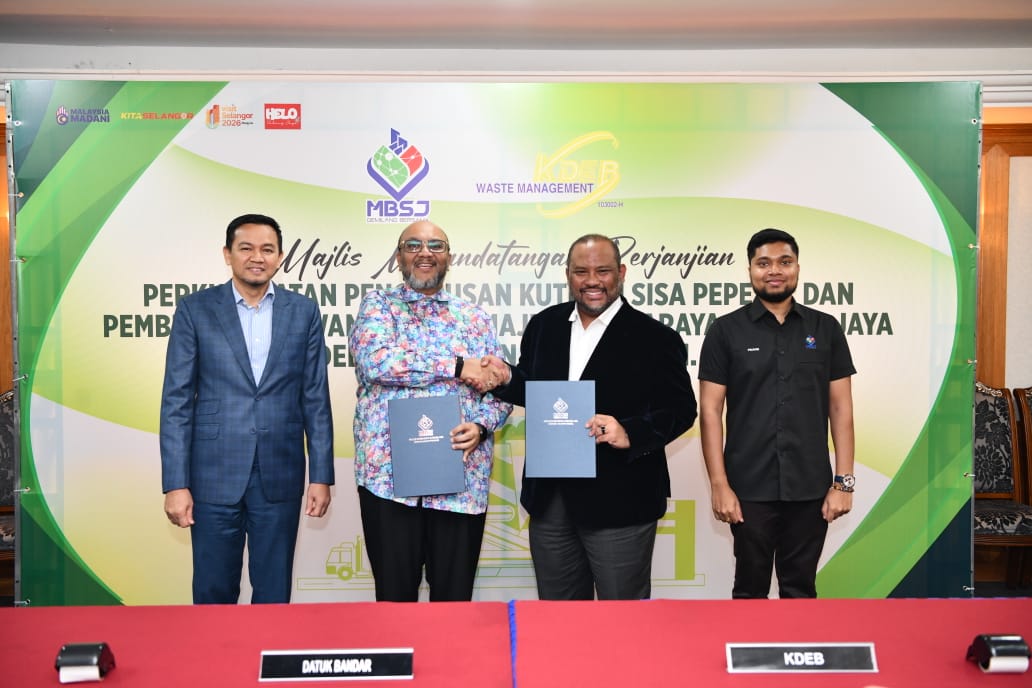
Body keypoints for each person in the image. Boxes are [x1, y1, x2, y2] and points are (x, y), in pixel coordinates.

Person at [479, 234, 697, 600]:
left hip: (621, 502)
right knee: (559, 619)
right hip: (550, 502)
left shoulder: (656, 337)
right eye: (581, 271)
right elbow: (536, 391)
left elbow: (681, 409)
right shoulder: (544, 325)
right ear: (568, 274)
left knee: (622, 618)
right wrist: (507, 379)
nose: (592, 281)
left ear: (621, 273)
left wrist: (630, 431)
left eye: (603, 271)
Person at [160, 213, 334, 604]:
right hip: (212, 475)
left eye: (267, 249)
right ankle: (213, 649)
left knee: (274, 593)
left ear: (280, 257)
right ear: (228, 254)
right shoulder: (195, 309)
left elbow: (315, 398)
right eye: (246, 248)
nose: (258, 257)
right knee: (213, 591)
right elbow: (176, 401)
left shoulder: (303, 311)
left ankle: (266, 648)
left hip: (280, 473)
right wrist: (175, 483)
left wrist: (321, 476)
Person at [349, 220, 512, 602]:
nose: (425, 253)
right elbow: (376, 362)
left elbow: (502, 387)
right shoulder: (379, 306)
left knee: (454, 604)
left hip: (459, 479)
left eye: (436, 245)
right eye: (414, 245)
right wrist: (457, 366)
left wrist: (482, 426)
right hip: (389, 483)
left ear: (449, 257)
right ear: (398, 256)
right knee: (395, 602)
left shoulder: (475, 317)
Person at [697, 227, 856, 599]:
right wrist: (720, 485)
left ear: (797, 267)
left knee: (800, 589)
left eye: (784, 262)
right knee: (749, 590)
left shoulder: (826, 329)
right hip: (747, 487)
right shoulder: (725, 331)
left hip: (810, 487)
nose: (774, 271)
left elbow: (841, 408)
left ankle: (797, 640)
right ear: (750, 270)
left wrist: (843, 484)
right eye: (763, 263)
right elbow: (710, 410)